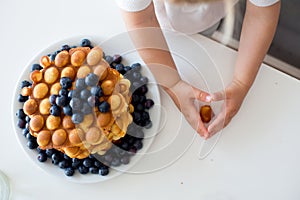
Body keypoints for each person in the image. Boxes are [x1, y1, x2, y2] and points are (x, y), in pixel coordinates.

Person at [115, 0, 281, 139]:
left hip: (213, 19)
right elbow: (142, 20)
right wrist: (172, 83)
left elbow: (261, 14)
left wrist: (242, 82)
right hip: (154, 18)